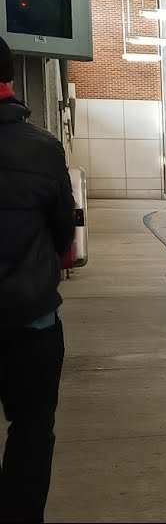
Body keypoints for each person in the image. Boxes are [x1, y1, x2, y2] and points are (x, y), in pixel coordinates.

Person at [0, 36, 76, 523]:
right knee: (31, 428)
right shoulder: (43, 149)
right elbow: (64, 237)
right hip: (30, 321)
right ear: (9, 77)